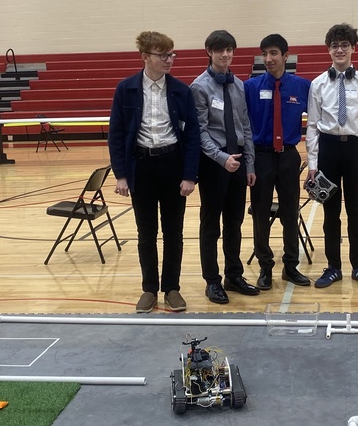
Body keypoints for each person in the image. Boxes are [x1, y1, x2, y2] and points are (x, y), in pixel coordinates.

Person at [109, 31, 200, 314]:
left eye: (171, 54)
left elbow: (193, 136)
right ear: (145, 57)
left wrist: (189, 175)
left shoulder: (181, 91)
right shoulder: (126, 89)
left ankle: (172, 288)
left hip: (172, 165)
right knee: (146, 233)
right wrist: (121, 175)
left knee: (174, 232)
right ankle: (149, 289)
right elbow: (116, 134)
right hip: (142, 167)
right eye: (162, 55)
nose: (169, 60)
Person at [306, 23, 358, 289]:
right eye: (335, 45)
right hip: (328, 149)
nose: (339, 50)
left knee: (355, 212)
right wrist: (313, 163)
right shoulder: (317, 84)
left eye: (344, 45)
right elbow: (312, 126)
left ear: (352, 48)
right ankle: (333, 267)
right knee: (330, 213)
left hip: (354, 150)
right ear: (328, 49)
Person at [191, 30, 260, 304]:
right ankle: (212, 281)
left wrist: (249, 163)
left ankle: (234, 275)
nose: (225, 55)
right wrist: (221, 158)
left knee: (235, 222)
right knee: (211, 225)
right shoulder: (199, 87)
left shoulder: (239, 85)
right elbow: (200, 131)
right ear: (209, 51)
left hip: (240, 161)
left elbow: (245, 125)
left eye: (229, 49)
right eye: (220, 50)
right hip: (213, 164)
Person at [245, 33, 312, 290]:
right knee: (260, 215)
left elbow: (316, 123)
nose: (268, 58)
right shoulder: (249, 87)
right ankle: (265, 268)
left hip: (288, 155)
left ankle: (291, 266)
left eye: (273, 53)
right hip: (260, 156)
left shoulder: (302, 86)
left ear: (286, 56)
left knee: (289, 213)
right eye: (265, 54)